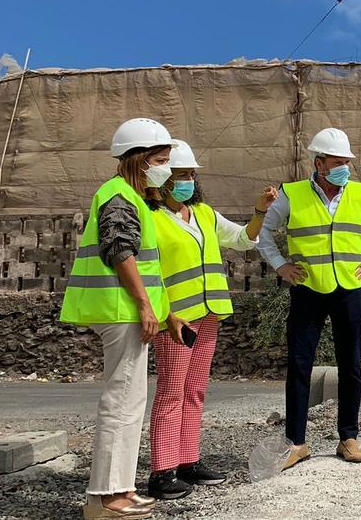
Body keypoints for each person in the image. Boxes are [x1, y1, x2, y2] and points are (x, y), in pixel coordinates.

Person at [256, 127, 361, 469]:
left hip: (349, 290)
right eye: (338, 162)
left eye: (347, 163)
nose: (345, 169)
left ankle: (348, 437)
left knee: (350, 365)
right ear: (318, 163)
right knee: (299, 366)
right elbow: (262, 233)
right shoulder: (292, 195)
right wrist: (280, 266)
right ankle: (297, 443)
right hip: (308, 290)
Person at [145, 141, 278, 500]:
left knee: (195, 390)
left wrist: (259, 211)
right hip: (175, 319)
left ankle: (187, 462)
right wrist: (164, 314)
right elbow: (148, 273)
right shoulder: (150, 217)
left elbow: (242, 239)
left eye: (191, 174)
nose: (188, 180)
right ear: (162, 179)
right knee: (171, 392)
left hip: (209, 313)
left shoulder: (202, 212)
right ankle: (162, 471)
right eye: (181, 174)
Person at [60, 118, 177, 519]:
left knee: (131, 399)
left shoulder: (132, 197)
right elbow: (120, 252)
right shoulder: (118, 197)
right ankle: (105, 498)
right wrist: (146, 307)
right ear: (139, 160)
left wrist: (163, 313)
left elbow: (143, 264)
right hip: (120, 310)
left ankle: (121, 488)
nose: (166, 168)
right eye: (160, 160)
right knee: (122, 399)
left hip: (128, 310)